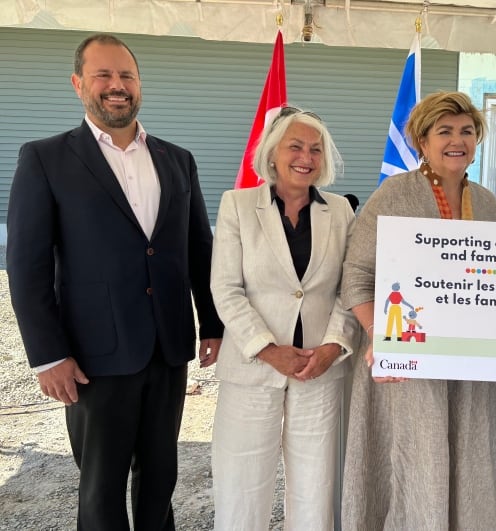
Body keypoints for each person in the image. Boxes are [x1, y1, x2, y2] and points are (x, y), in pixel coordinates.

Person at [6, 33, 223, 529]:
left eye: (126, 75)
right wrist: (48, 354)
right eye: (103, 75)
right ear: (78, 83)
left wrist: (212, 322)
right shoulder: (44, 159)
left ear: (139, 84)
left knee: (161, 478)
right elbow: (27, 264)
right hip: (91, 358)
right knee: (101, 488)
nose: (116, 86)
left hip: (167, 349)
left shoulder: (177, 159)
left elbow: (198, 250)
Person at [340, 91, 496, 530]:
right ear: (422, 141)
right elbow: (357, 275)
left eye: (467, 131)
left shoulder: (487, 203)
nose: (457, 140)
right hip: (411, 367)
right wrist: (379, 337)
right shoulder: (394, 194)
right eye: (444, 131)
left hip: (475, 369)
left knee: (475, 462)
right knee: (417, 462)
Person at [209, 106, 359, 530]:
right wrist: (268, 349)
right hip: (254, 368)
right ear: (273, 153)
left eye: (316, 149)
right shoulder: (237, 205)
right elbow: (226, 288)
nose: (306, 157)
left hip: (320, 369)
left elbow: (351, 288)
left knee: (318, 485)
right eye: (295, 146)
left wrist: (334, 346)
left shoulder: (341, 212)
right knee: (242, 484)